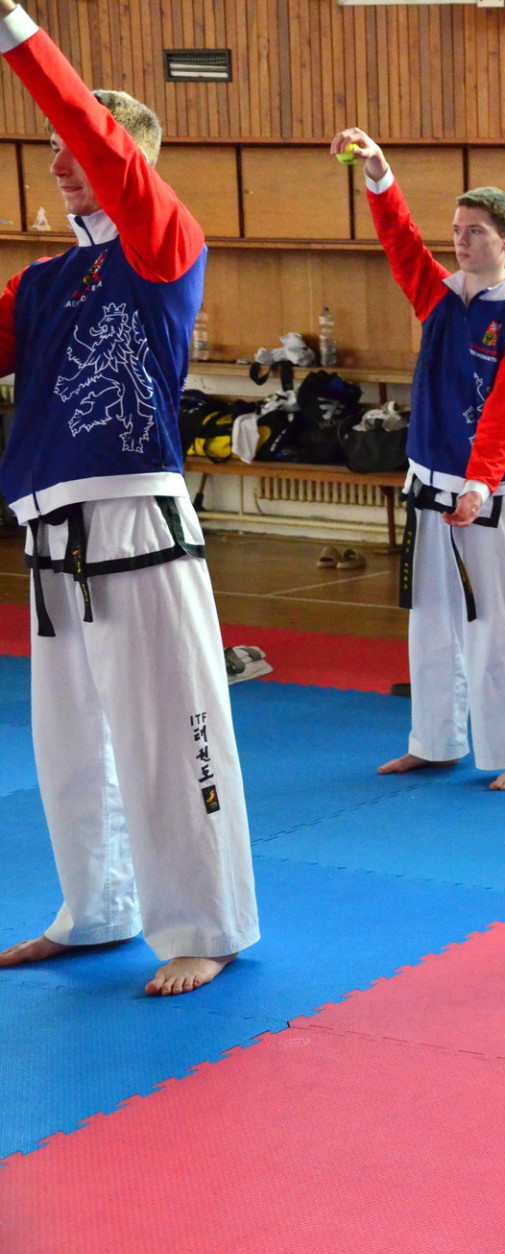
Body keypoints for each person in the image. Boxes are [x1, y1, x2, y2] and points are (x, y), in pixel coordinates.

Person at [0, 0, 258, 996]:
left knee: (166, 732)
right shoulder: (43, 281)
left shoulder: (163, 246)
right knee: (69, 743)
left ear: (127, 160)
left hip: (135, 515)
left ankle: (207, 923)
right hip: (49, 525)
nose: (61, 161)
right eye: (50, 150)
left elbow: (94, 138)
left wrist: (19, 34)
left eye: (78, 145)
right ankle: (96, 907)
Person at [330, 128, 505, 792]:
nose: (462, 240)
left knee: (502, 624)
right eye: (457, 230)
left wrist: (479, 484)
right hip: (426, 482)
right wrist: (378, 172)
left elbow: (504, 415)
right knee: (430, 623)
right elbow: (400, 240)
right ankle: (435, 741)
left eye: (476, 231)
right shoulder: (437, 297)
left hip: (486, 496)